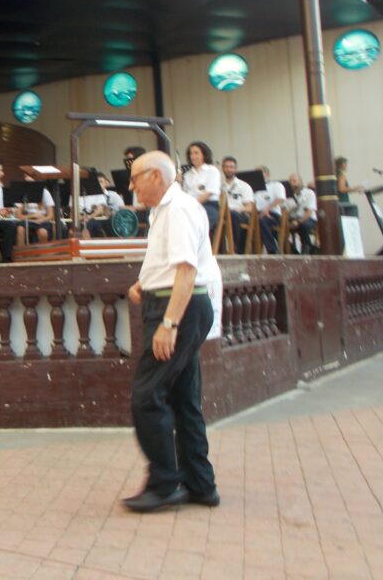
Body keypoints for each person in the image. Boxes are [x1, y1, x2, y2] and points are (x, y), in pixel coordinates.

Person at [122, 150, 220, 513]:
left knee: (147, 396)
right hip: (177, 305)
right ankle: (199, 483)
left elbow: (186, 271)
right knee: (183, 399)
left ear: (156, 177)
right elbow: (171, 265)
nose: (130, 185)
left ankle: (165, 483)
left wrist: (168, 324)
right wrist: (143, 284)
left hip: (177, 310)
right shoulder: (167, 209)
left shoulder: (177, 209)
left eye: (135, 177)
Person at [181, 141, 221, 236]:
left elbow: (210, 193)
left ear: (204, 154)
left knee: (204, 217)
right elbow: (184, 194)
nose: (193, 156)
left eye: (196, 153)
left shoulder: (212, 170)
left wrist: (192, 204)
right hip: (189, 205)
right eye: (191, 153)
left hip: (208, 205)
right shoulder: (187, 175)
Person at [220, 156, 255, 253]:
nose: (229, 169)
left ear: (236, 169)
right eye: (226, 166)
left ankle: (237, 250)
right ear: (223, 168)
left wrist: (236, 210)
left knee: (234, 216)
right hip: (223, 214)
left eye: (231, 167)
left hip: (240, 214)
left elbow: (250, 207)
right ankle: (217, 251)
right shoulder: (219, 187)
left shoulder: (244, 186)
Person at [15, 172, 54, 245]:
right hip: (28, 219)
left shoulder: (45, 192)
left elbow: (51, 215)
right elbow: (18, 215)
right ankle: (21, 254)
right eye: (25, 176)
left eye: (29, 176)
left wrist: (41, 219)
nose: (27, 178)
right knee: (20, 229)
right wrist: (32, 216)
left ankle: (42, 254)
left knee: (43, 232)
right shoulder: (22, 192)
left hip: (42, 220)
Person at [254, 165, 286, 254]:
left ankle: (272, 249)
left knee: (262, 220)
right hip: (254, 214)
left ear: (267, 174)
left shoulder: (276, 185)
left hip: (272, 214)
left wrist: (267, 209)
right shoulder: (252, 188)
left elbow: (280, 199)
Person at [286, 173, 318, 254]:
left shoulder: (309, 193)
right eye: (290, 182)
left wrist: (298, 222)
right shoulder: (288, 196)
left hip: (308, 218)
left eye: (294, 181)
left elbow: (309, 211)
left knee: (303, 226)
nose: (293, 184)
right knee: (281, 227)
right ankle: (291, 251)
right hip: (293, 218)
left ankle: (306, 248)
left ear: (300, 182)